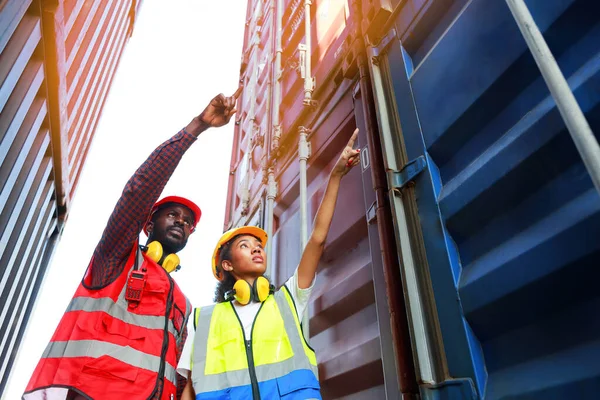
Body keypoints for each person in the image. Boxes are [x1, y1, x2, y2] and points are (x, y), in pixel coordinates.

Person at [23, 87, 243, 400]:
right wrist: (198, 126)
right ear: (148, 225)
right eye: (172, 215)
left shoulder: (183, 303)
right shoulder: (115, 259)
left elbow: (179, 375)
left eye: (187, 221)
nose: (181, 221)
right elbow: (140, 190)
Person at [178, 129, 361, 400]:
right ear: (227, 265)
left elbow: (317, 240)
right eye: (245, 246)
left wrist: (334, 177)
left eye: (258, 245)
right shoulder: (202, 320)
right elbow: (191, 390)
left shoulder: (287, 301)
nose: (256, 249)